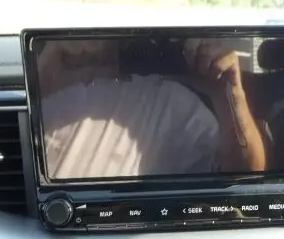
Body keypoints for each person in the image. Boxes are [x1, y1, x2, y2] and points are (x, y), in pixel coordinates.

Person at [36, 38, 266, 180]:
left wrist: (229, 96)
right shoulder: (53, 68)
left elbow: (244, 176)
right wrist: (42, 78)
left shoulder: (175, 105)